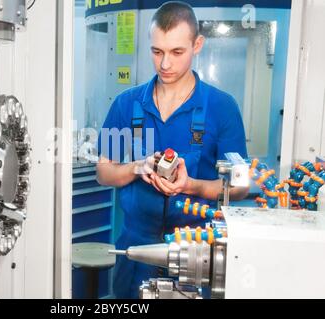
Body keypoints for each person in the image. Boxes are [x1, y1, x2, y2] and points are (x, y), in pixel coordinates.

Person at [96, 1, 249, 299]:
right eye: (157, 51)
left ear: (197, 45)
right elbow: (104, 171)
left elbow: (240, 187)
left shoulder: (222, 108)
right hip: (135, 248)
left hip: (199, 252)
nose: (165, 64)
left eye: (177, 52)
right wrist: (137, 167)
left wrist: (190, 185)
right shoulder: (126, 104)